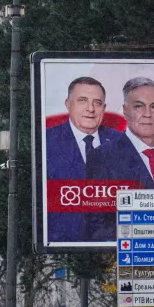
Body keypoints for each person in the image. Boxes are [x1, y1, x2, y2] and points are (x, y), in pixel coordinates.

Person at [86, 77, 154, 240]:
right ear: (125, 110)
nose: (147, 114)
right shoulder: (103, 157)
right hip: (135, 257)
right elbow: (96, 226)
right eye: (139, 106)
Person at [45, 76, 121, 242]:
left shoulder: (122, 143)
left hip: (114, 247)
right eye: (82, 100)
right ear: (68, 104)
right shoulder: (46, 143)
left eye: (97, 103)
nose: (90, 109)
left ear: (104, 108)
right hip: (62, 247)